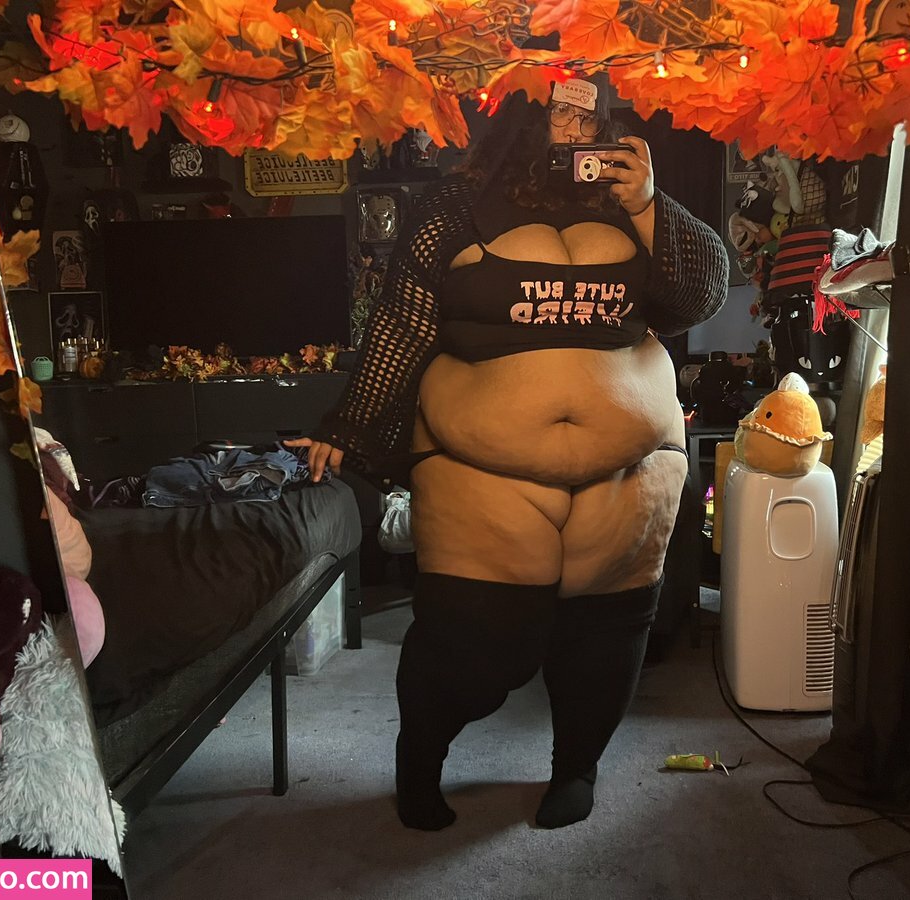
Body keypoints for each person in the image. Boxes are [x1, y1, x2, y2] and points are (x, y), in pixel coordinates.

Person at [286, 75, 728, 831]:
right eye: (560, 112)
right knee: (474, 643)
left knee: (606, 635)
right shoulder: (455, 206)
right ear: (525, 116)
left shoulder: (629, 200)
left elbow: (701, 298)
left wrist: (649, 204)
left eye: (588, 117)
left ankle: (576, 768)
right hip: (481, 472)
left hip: (631, 474)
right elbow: (403, 322)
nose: (575, 129)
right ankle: (420, 759)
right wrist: (347, 426)